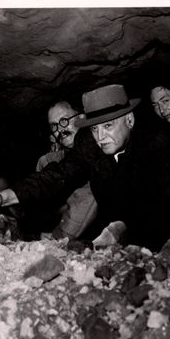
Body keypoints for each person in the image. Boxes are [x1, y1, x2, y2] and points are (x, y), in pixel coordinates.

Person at [0, 84, 170, 250]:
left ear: (129, 120)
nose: (100, 137)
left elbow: (167, 205)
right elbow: (57, 175)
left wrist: (124, 228)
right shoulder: (89, 144)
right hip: (117, 238)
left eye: (108, 126)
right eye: (94, 129)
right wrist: (5, 197)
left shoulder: (160, 143)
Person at [34, 101, 97, 239]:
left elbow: (85, 199)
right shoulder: (49, 160)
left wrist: (56, 239)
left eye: (64, 120)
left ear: (82, 117)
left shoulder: (98, 147)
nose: (60, 130)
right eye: (54, 126)